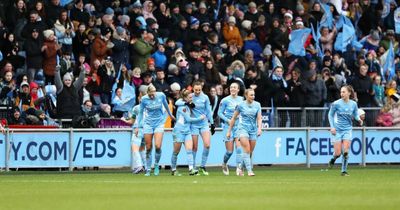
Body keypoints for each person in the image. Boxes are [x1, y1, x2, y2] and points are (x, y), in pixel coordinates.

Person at [134, 84, 175, 176]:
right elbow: (140, 113)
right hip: (148, 124)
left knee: (158, 146)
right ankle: (148, 169)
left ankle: (156, 165)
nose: (152, 95)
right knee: (148, 147)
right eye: (150, 94)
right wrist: (137, 126)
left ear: (155, 92)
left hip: (159, 123)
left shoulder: (161, 95)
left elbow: (166, 105)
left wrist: (170, 115)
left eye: (153, 93)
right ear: (147, 93)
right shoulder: (144, 99)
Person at [328, 85, 363, 176]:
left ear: (349, 93)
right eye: (341, 92)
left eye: (343, 92)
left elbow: (355, 114)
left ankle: (343, 171)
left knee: (346, 151)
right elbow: (330, 115)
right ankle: (333, 158)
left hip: (347, 129)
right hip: (337, 130)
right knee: (338, 153)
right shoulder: (336, 103)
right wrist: (332, 127)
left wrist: (358, 119)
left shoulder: (353, 104)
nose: (341, 94)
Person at [227, 88, 262, 176]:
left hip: (253, 130)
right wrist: (229, 131)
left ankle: (240, 166)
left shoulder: (257, 105)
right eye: (251, 95)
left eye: (253, 95)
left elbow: (259, 118)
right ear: (246, 96)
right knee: (246, 149)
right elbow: (234, 118)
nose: (253, 97)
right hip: (242, 129)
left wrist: (259, 128)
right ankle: (250, 171)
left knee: (250, 151)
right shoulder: (241, 105)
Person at [171, 89, 206, 176]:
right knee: (176, 152)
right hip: (179, 131)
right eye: (190, 97)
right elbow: (188, 119)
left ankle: (191, 169)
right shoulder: (182, 107)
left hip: (187, 131)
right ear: (185, 98)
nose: (191, 99)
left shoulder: (187, 105)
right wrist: (200, 118)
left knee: (189, 150)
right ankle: (173, 169)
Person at [218, 82, 244, 176]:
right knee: (229, 151)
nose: (232, 89)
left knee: (239, 148)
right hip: (227, 126)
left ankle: (238, 168)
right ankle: (224, 163)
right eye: (231, 87)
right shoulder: (225, 100)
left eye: (234, 87)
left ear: (238, 89)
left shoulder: (242, 100)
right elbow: (219, 113)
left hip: (238, 126)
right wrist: (228, 120)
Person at [189, 81, 214, 175]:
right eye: (196, 90)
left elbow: (208, 110)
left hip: (203, 124)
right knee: (194, 147)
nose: (198, 91)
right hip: (193, 124)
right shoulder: (190, 96)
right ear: (192, 88)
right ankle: (193, 167)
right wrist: (188, 104)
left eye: (199, 89)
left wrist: (212, 124)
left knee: (207, 145)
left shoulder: (205, 97)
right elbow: (179, 102)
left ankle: (202, 166)